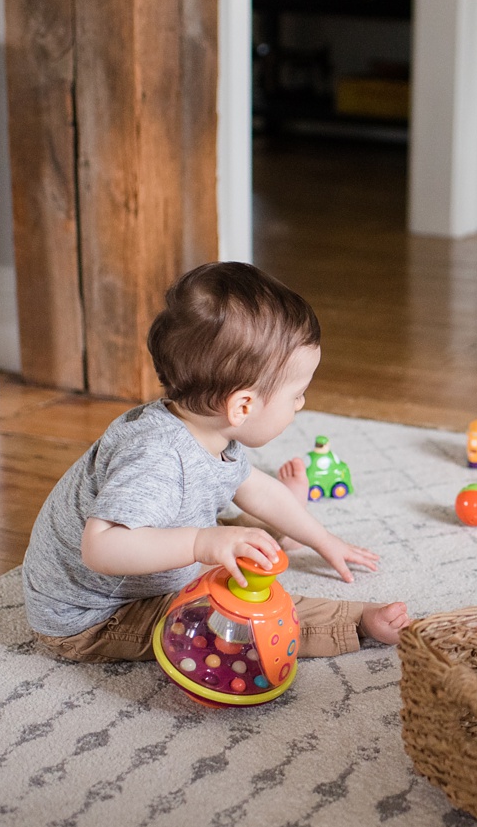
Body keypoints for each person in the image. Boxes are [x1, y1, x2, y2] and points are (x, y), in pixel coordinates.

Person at [22, 262, 410, 665]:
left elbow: (254, 487)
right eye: (297, 394)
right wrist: (199, 543)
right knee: (236, 623)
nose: (302, 404)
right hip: (97, 616)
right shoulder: (156, 457)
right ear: (242, 405)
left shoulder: (208, 427)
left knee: (233, 533)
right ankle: (355, 623)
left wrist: (323, 539)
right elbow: (101, 548)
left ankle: (281, 532)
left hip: (152, 555)